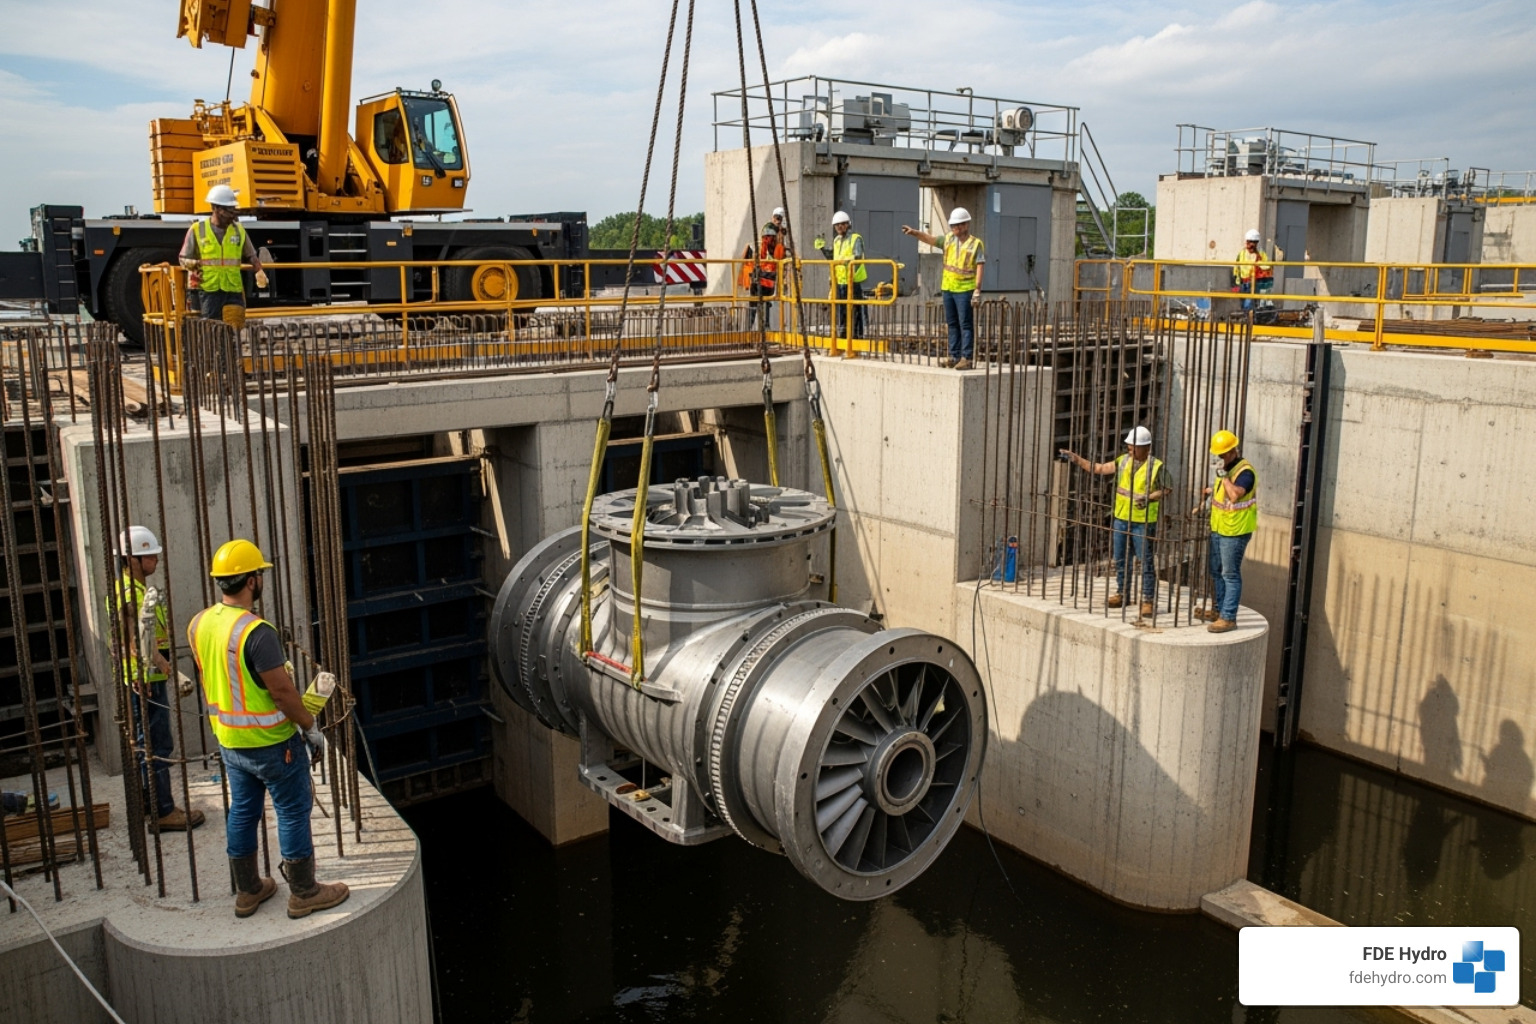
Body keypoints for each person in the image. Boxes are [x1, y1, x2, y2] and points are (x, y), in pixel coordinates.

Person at [189, 539, 348, 919]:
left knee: (243, 811)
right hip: (273, 743)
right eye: (258, 574)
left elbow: (217, 678)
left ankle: (248, 891)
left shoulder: (199, 623)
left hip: (229, 739)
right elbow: (281, 692)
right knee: (293, 811)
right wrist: (309, 726)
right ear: (251, 581)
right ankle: (305, 892)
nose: (261, 579)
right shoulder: (256, 632)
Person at [112, 526, 204, 832]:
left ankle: (152, 805)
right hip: (145, 679)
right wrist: (166, 669)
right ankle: (163, 811)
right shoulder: (130, 593)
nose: (156, 559)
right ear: (133, 559)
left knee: (147, 743)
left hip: (144, 676)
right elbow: (134, 640)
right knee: (156, 744)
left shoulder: (133, 588)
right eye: (150, 554)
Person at [1059, 427, 1169, 617]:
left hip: (1142, 522)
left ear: (1146, 447)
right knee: (1120, 559)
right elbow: (1098, 468)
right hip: (1121, 519)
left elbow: (1167, 489)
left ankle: (1148, 600)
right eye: (1129, 446)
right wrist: (1077, 459)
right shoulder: (1123, 461)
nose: (1130, 449)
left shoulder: (1156, 466)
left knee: (1146, 561)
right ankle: (1122, 593)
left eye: (1134, 447)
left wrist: (1150, 497)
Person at [902, 208, 984, 369]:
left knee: (965, 324)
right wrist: (915, 233)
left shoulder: (975, 244)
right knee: (952, 324)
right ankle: (954, 356)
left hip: (965, 290)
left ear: (966, 224)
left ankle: (966, 358)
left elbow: (980, 266)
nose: (956, 228)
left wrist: (977, 290)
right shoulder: (948, 240)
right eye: (953, 226)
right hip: (948, 288)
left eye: (959, 225)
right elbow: (930, 239)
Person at [1196, 430, 1257, 633]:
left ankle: (1228, 617)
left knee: (1230, 574)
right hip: (1219, 529)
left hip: (1235, 532)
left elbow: (1234, 495)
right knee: (1216, 571)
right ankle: (1218, 610)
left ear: (1232, 451)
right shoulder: (1229, 470)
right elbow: (1221, 493)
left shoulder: (1245, 472)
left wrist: (1224, 479)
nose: (1220, 459)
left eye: (1223, 455)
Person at [179, 185, 265, 329]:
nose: (233, 215)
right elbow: (183, 258)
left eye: (234, 210)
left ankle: (229, 352)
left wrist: (259, 271)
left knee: (234, 326)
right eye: (229, 211)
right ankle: (213, 352)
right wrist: (192, 264)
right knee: (212, 328)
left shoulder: (238, 230)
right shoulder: (197, 229)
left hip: (233, 289)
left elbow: (251, 256)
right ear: (217, 209)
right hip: (209, 289)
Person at [814, 211, 866, 341]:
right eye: (837, 225)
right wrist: (823, 248)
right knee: (842, 311)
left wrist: (846, 261)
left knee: (855, 311)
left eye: (842, 224)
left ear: (848, 224)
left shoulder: (855, 238)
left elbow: (857, 256)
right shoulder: (837, 240)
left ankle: (856, 337)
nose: (839, 227)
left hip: (852, 281)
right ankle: (843, 337)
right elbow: (833, 258)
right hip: (841, 281)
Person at [738, 224, 783, 331]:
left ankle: (752, 328)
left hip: (762, 283)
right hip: (763, 283)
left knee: (757, 306)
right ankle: (760, 327)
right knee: (761, 306)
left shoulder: (769, 247)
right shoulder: (771, 247)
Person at [1231, 229, 1272, 312]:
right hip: (1242, 283)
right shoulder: (1242, 253)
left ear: (1256, 243)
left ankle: (1248, 320)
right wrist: (1235, 282)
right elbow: (1237, 267)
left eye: (1254, 242)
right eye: (1250, 242)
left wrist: (1259, 263)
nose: (1251, 245)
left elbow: (1267, 267)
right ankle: (1247, 319)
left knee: (1248, 304)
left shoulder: (1261, 254)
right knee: (1243, 304)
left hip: (1253, 283)